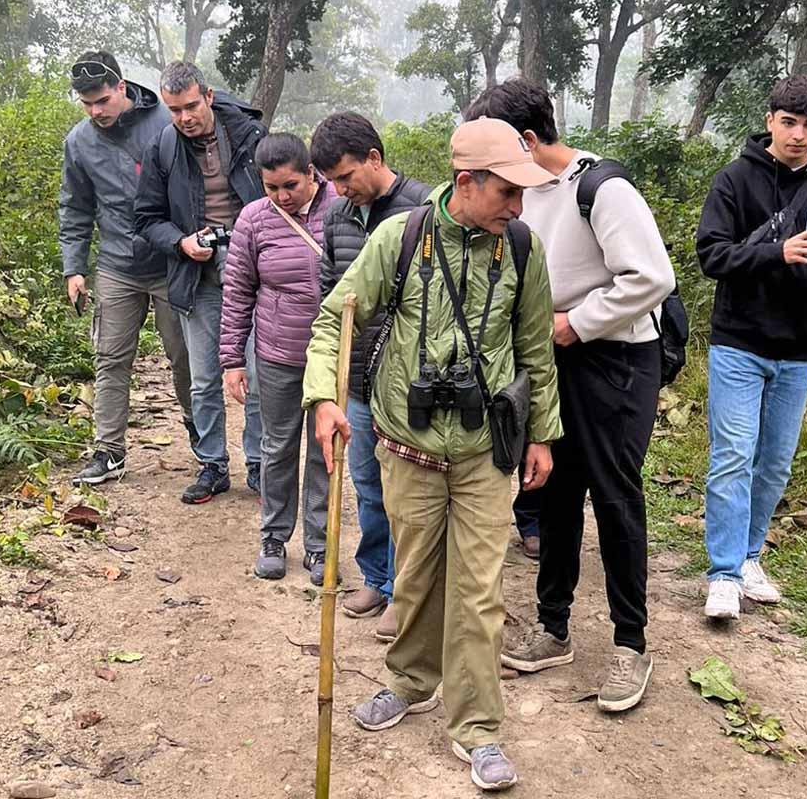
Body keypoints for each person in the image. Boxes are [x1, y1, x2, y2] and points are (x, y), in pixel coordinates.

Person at [303, 117, 561, 792]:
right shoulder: (401, 236)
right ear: (467, 182)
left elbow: (535, 350)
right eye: (508, 192)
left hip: (484, 451)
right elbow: (337, 316)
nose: (518, 205)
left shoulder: (525, 250)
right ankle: (410, 681)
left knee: (478, 593)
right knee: (416, 575)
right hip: (408, 446)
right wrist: (324, 399)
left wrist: (541, 434)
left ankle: (477, 727)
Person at [467, 79, 675, 712]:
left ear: (527, 141)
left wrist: (574, 322)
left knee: (613, 496)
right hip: (552, 360)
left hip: (614, 360)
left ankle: (629, 644)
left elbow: (653, 277)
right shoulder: (524, 193)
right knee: (552, 490)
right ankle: (552, 626)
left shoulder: (601, 188)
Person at [696, 75, 807, 620]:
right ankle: (723, 574)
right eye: (789, 122)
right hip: (739, 342)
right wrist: (778, 252)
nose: (799, 134)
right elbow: (712, 255)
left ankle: (750, 557)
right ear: (771, 119)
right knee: (732, 458)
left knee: (773, 465)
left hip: (799, 350)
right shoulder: (734, 180)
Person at [309, 112, 430, 641]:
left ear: (374, 160)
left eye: (345, 176)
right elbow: (329, 294)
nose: (339, 189)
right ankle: (377, 578)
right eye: (332, 181)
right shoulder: (338, 216)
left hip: (406, 384)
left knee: (409, 493)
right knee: (366, 484)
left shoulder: (424, 210)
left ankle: (410, 591)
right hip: (356, 380)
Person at [59, 51, 195, 486]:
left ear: (122, 87)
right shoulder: (78, 141)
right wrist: (73, 268)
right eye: (86, 104)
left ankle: (202, 437)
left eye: (101, 99)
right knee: (110, 359)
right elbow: (75, 208)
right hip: (117, 264)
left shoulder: (165, 123)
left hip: (172, 260)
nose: (96, 111)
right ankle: (109, 451)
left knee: (184, 356)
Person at [134, 61, 264, 504]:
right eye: (174, 110)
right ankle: (212, 464)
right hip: (197, 275)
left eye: (191, 105)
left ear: (208, 96)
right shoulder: (163, 148)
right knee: (204, 378)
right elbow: (146, 219)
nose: (184, 117)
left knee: (260, 376)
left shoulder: (249, 136)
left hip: (255, 275)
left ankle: (262, 465)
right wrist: (182, 242)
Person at [219, 133, 337, 584]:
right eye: (272, 188)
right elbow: (238, 293)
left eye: (291, 185)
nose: (283, 197)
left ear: (312, 173)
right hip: (276, 353)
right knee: (278, 446)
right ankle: (273, 536)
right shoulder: (253, 220)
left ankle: (319, 543)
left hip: (331, 358)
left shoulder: (341, 210)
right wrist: (233, 359)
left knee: (326, 451)